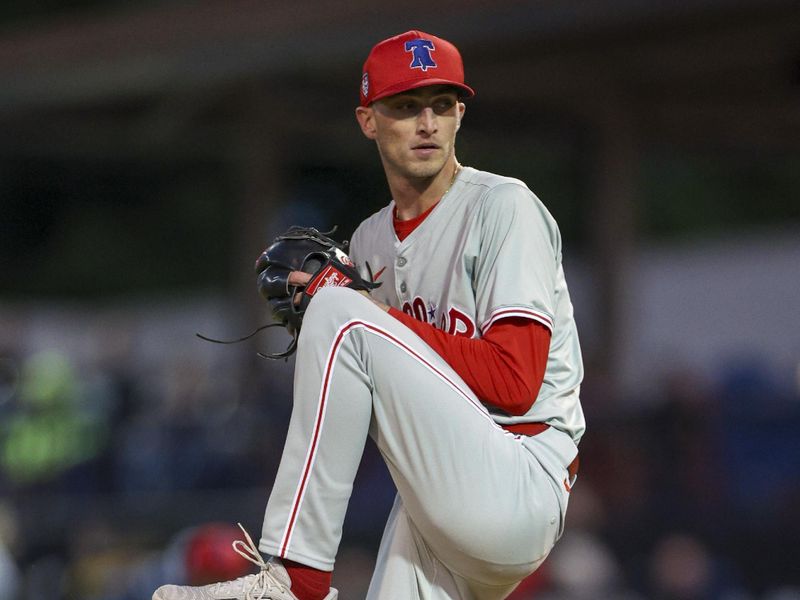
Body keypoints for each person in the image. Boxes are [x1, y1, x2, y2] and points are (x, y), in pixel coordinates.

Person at [153, 29, 585, 600]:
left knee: (340, 309)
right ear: (368, 120)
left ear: (460, 115)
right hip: (435, 499)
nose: (427, 123)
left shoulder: (504, 207)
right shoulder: (369, 240)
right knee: (342, 313)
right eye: (406, 107)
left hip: (519, 476)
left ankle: (294, 580)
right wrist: (354, 317)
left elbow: (514, 379)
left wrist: (356, 310)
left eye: (441, 105)